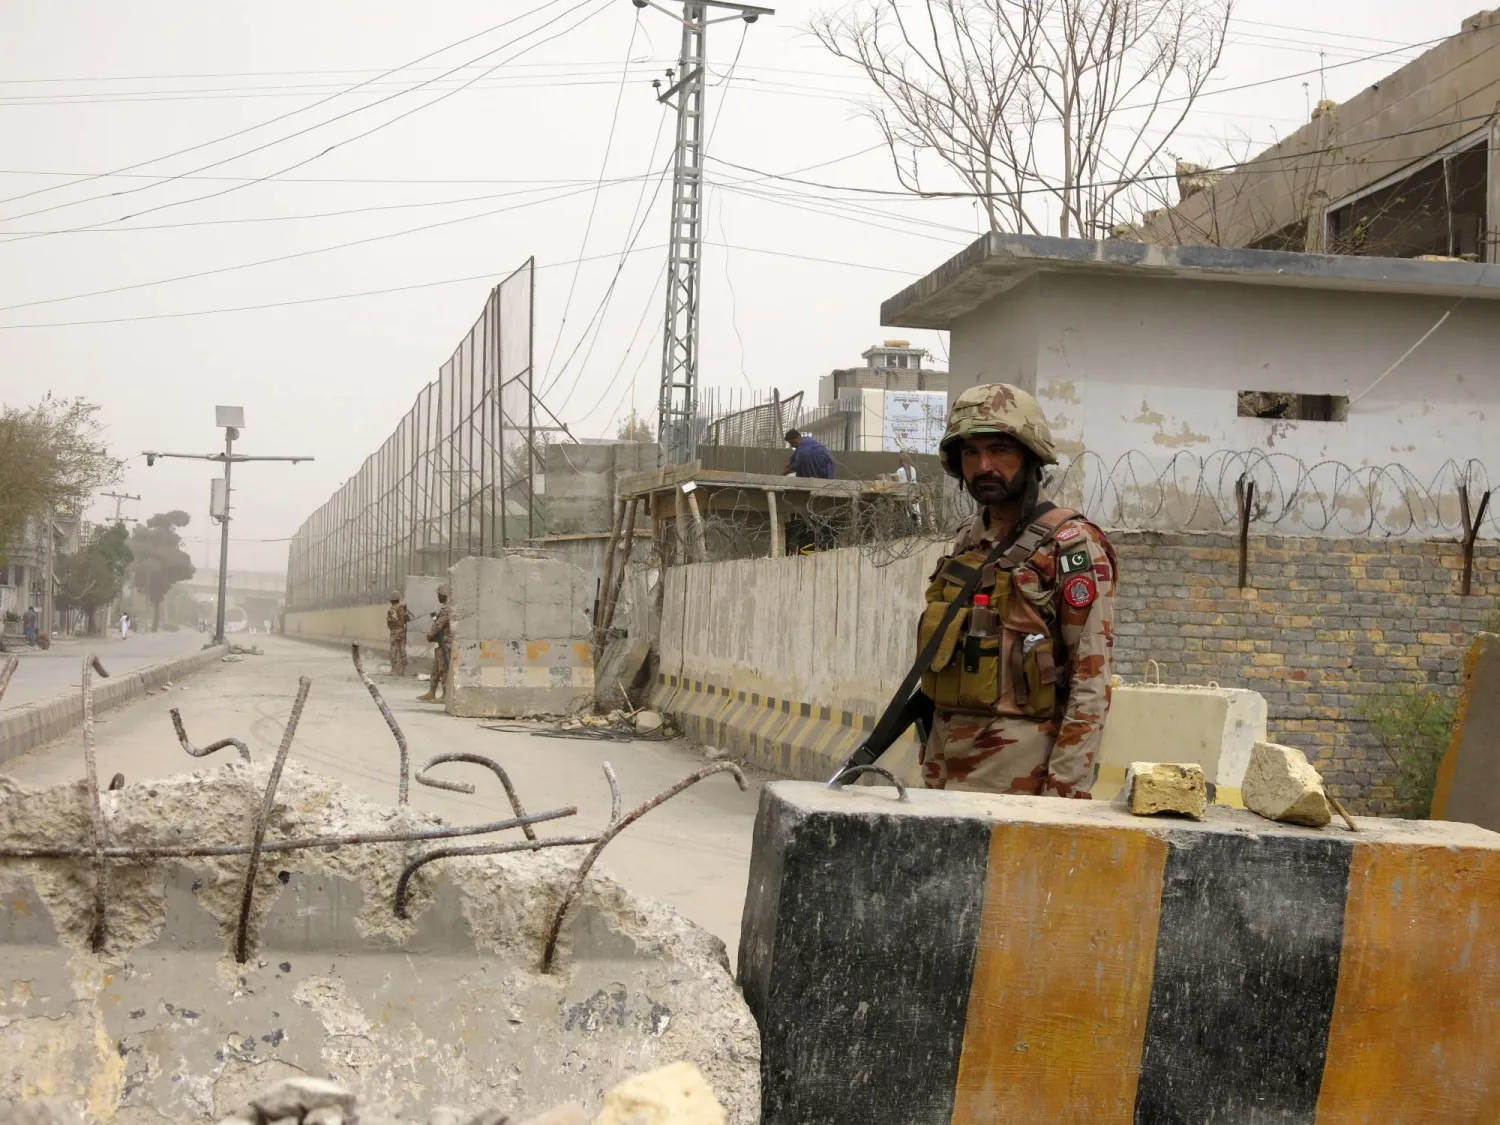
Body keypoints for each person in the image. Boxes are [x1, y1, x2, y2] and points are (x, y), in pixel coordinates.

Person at [916, 383, 1117, 797]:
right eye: (970, 452)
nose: (984, 465)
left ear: (1031, 457)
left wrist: (1063, 794)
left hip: (1019, 782)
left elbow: (1090, 680)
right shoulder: (968, 540)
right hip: (942, 775)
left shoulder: (1071, 545)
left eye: (1000, 451)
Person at [418, 584, 452, 703]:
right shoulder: (445, 608)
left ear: (444, 595)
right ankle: (431, 692)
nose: (438, 597)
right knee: (436, 668)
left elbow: (439, 624)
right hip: (440, 642)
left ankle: (445, 695)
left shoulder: (447, 608)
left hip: (445, 643)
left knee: (443, 669)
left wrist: (430, 634)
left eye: (439, 595)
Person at [387, 590, 413, 677]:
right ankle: (404, 671)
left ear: (391, 600)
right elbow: (408, 619)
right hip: (402, 632)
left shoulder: (392, 610)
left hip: (395, 632)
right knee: (402, 651)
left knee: (393, 650)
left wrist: (390, 619)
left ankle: (394, 670)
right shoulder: (403, 609)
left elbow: (394, 620)